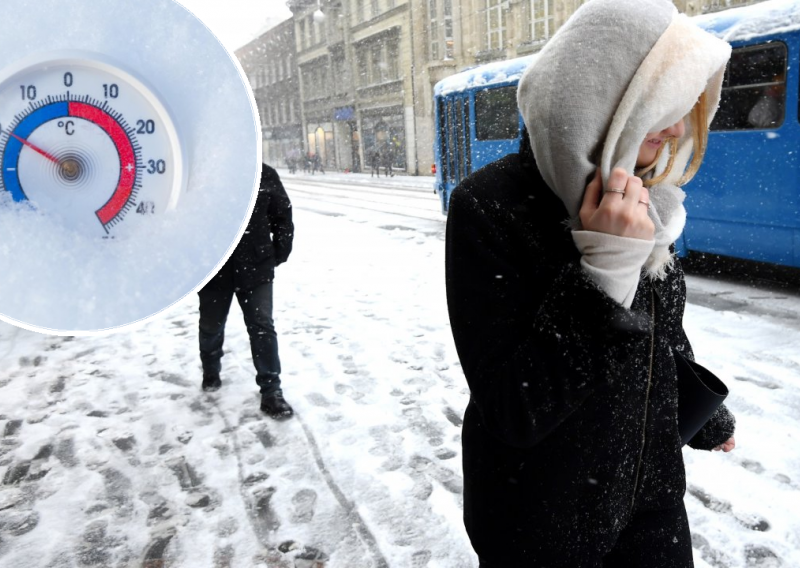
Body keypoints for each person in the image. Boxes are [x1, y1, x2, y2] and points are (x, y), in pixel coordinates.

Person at [445, 1, 736, 566]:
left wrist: (703, 416)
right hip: (540, 520)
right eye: (664, 107)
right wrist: (602, 273)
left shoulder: (642, 194)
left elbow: (661, 335)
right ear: (606, 99)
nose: (677, 128)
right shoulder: (489, 206)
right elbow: (513, 408)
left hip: (650, 505)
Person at [198, 163, 295, 419]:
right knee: (211, 325)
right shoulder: (203, 170)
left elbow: (282, 214)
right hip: (214, 268)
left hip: (256, 266)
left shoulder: (263, 173)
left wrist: (280, 251)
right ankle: (210, 370)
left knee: (262, 327)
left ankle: (271, 391)